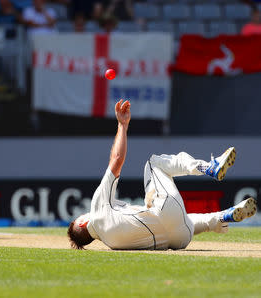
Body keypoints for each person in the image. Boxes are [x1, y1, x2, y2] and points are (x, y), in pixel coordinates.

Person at [68, 99, 257, 250]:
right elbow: (116, 159)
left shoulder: (111, 242)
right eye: (82, 216)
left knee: (179, 220)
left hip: (179, 240)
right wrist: (122, 126)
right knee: (153, 163)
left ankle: (224, 216)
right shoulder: (97, 209)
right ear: (84, 222)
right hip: (167, 214)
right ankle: (209, 167)